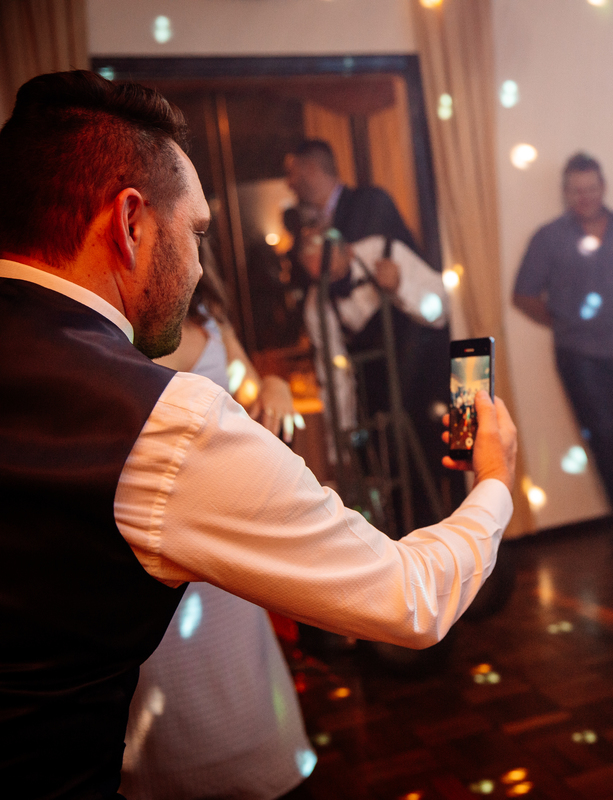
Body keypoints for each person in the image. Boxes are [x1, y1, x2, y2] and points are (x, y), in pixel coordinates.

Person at [0, 70, 517, 798]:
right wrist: (495, 480)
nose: (202, 262)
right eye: (198, 233)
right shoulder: (165, 424)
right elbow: (410, 596)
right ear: (130, 223)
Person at [120, 256, 312, 799]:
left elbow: (251, 393)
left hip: (226, 551)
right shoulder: (107, 337)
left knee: (247, 695)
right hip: (152, 549)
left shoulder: (210, 322)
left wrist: (273, 385)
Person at [287, 139, 452, 531]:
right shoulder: (317, 304)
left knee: (440, 476)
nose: (318, 261)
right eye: (307, 255)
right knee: (391, 494)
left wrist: (399, 289)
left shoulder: (381, 248)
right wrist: (337, 445)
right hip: (378, 403)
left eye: (322, 246)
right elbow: (335, 373)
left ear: (340, 243)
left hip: (424, 385)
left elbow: (440, 309)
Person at [512, 152, 613, 557]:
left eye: (591, 188)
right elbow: (523, 294)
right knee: (606, 439)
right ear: (566, 193)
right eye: (576, 190)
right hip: (579, 356)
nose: (585, 196)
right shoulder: (548, 237)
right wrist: (564, 321)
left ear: (603, 187)